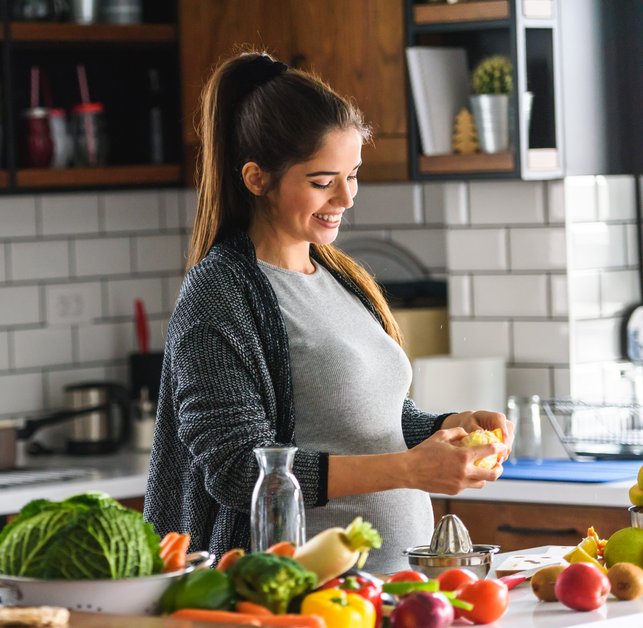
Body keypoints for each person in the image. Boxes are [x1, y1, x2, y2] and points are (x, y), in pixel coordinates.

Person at [144, 52, 514, 574]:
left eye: (353, 174)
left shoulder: (342, 277)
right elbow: (236, 470)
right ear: (256, 179)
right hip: (298, 594)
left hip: (396, 588)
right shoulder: (220, 294)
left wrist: (444, 427)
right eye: (323, 181)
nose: (346, 196)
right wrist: (409, 468)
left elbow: (365, 419)